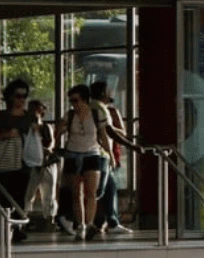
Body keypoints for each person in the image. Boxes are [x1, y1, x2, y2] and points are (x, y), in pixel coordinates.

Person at [57, 84, 110, 242]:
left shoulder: (96, 113)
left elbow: (103, 134)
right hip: (73, 154)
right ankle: (81, 224)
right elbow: (58, 131)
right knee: (76, 193)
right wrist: (60, 129)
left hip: (92, 153)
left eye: (76, 100)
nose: (74, 104)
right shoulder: (70, 115)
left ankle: (90, 222)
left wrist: (110, 155)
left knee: (91, 192)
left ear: (85, 100)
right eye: (71, 101)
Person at [0, 78, 31, 242]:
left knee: (20, 195)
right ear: (10, 97)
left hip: (23, 161)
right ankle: (8, 225)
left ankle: (17, 226)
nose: (21, 100)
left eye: (24, 96)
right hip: (4, 161)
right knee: (6, 195)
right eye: (18, 96)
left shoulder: (29, 117)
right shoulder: (1, 116)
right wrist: (7, 135)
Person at [89, 80, 133, 235]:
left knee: (109, 188)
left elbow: (111, 129)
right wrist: (129, 144)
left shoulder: (97, 107)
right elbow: (107, 131)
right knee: (98, 190)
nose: (111, 93)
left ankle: (112, 221)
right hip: (101, 154)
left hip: (102, 154)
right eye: (108, 90)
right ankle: (79, 219)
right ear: (102, 93)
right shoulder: (99, 108)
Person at [23, 100, 58, 227]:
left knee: (49, 193)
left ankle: (49, 218)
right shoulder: (26, 129)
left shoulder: (46, 128)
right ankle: (25, 217)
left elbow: (49, 145)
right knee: (29, 193)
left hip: (46, 164)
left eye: (38, 110)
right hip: (34, 165)